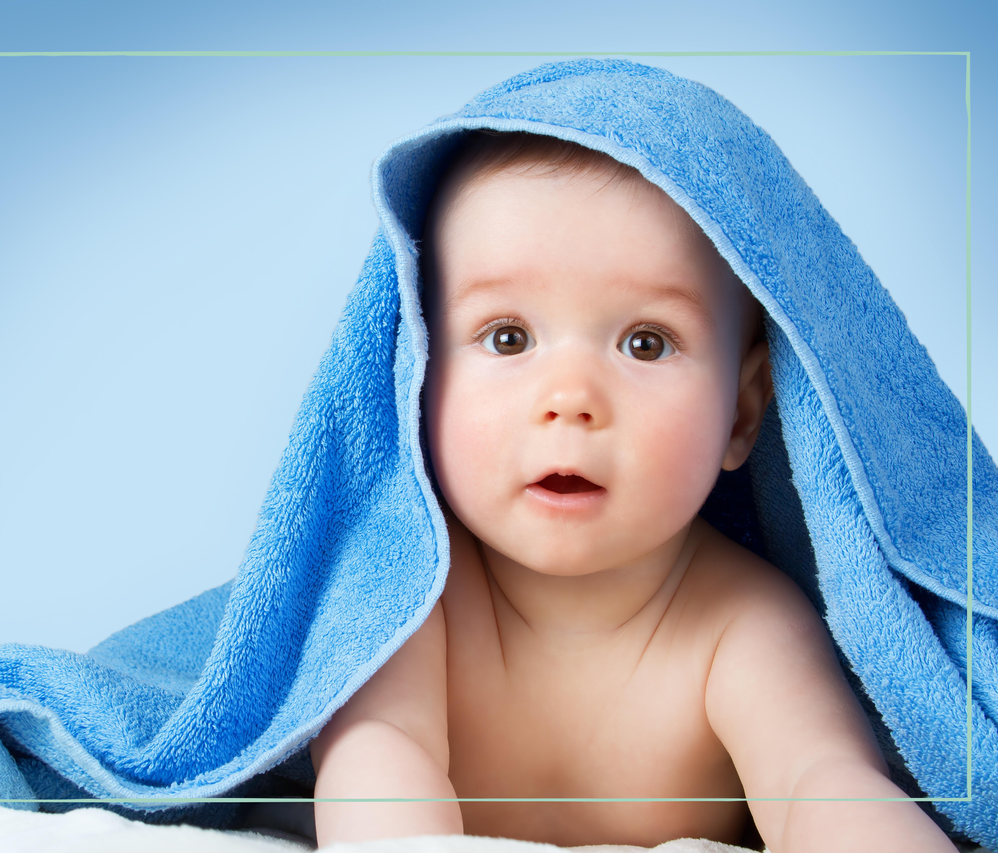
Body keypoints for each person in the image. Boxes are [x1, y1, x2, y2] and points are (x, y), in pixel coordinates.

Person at [309, 130, 957, 852]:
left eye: (646, 341)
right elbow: (375, 755)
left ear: (741, 413)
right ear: (418, 373)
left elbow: (823, 783)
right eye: (507, 337)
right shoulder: (409, 596)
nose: (570, 398)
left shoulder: (740, 625)